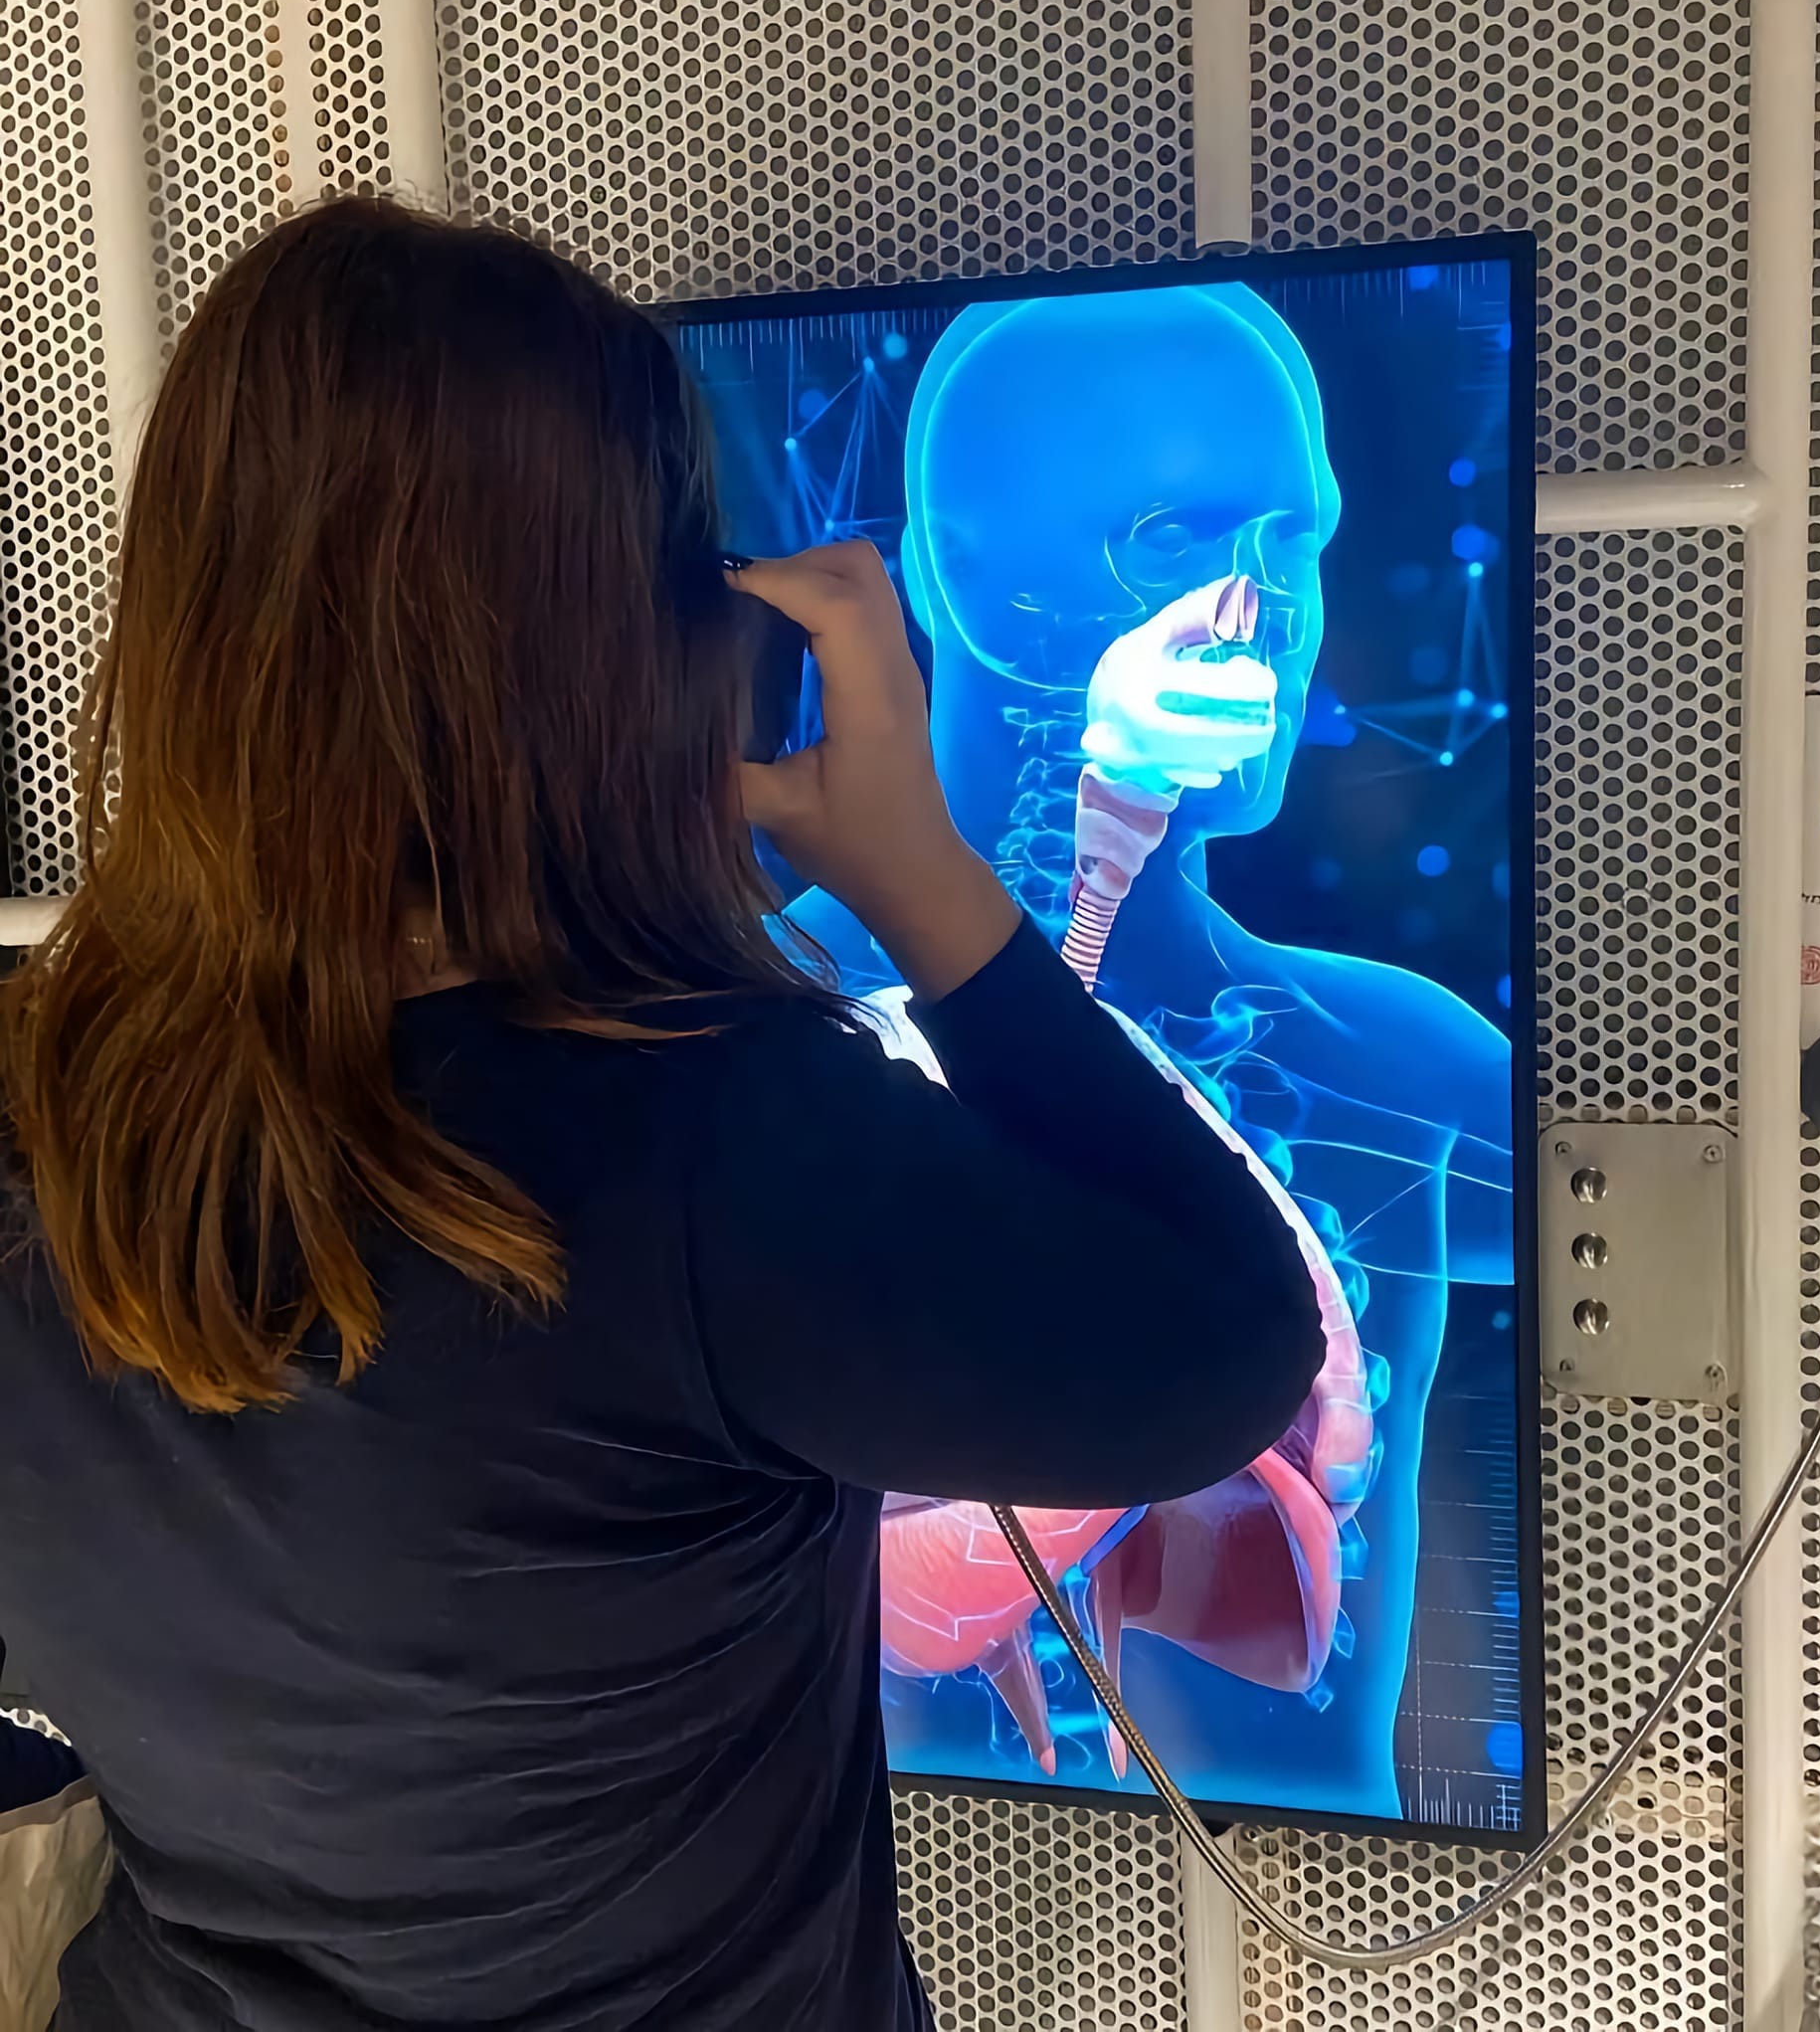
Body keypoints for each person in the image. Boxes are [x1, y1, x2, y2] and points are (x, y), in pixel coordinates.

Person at [0, 199, 1323, 2032]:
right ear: (643, 654)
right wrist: (922, 877)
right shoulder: (704, 1143)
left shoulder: (35, 1093)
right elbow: (1224, 1347)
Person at [786, 287, 1512, 1817]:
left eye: (1295, 543)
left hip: (1329, 1888)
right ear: (960, 572)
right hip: (853, 1863)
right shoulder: (750, 1026)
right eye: (1176, 541)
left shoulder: (1409, 1059)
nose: (1269, 608)